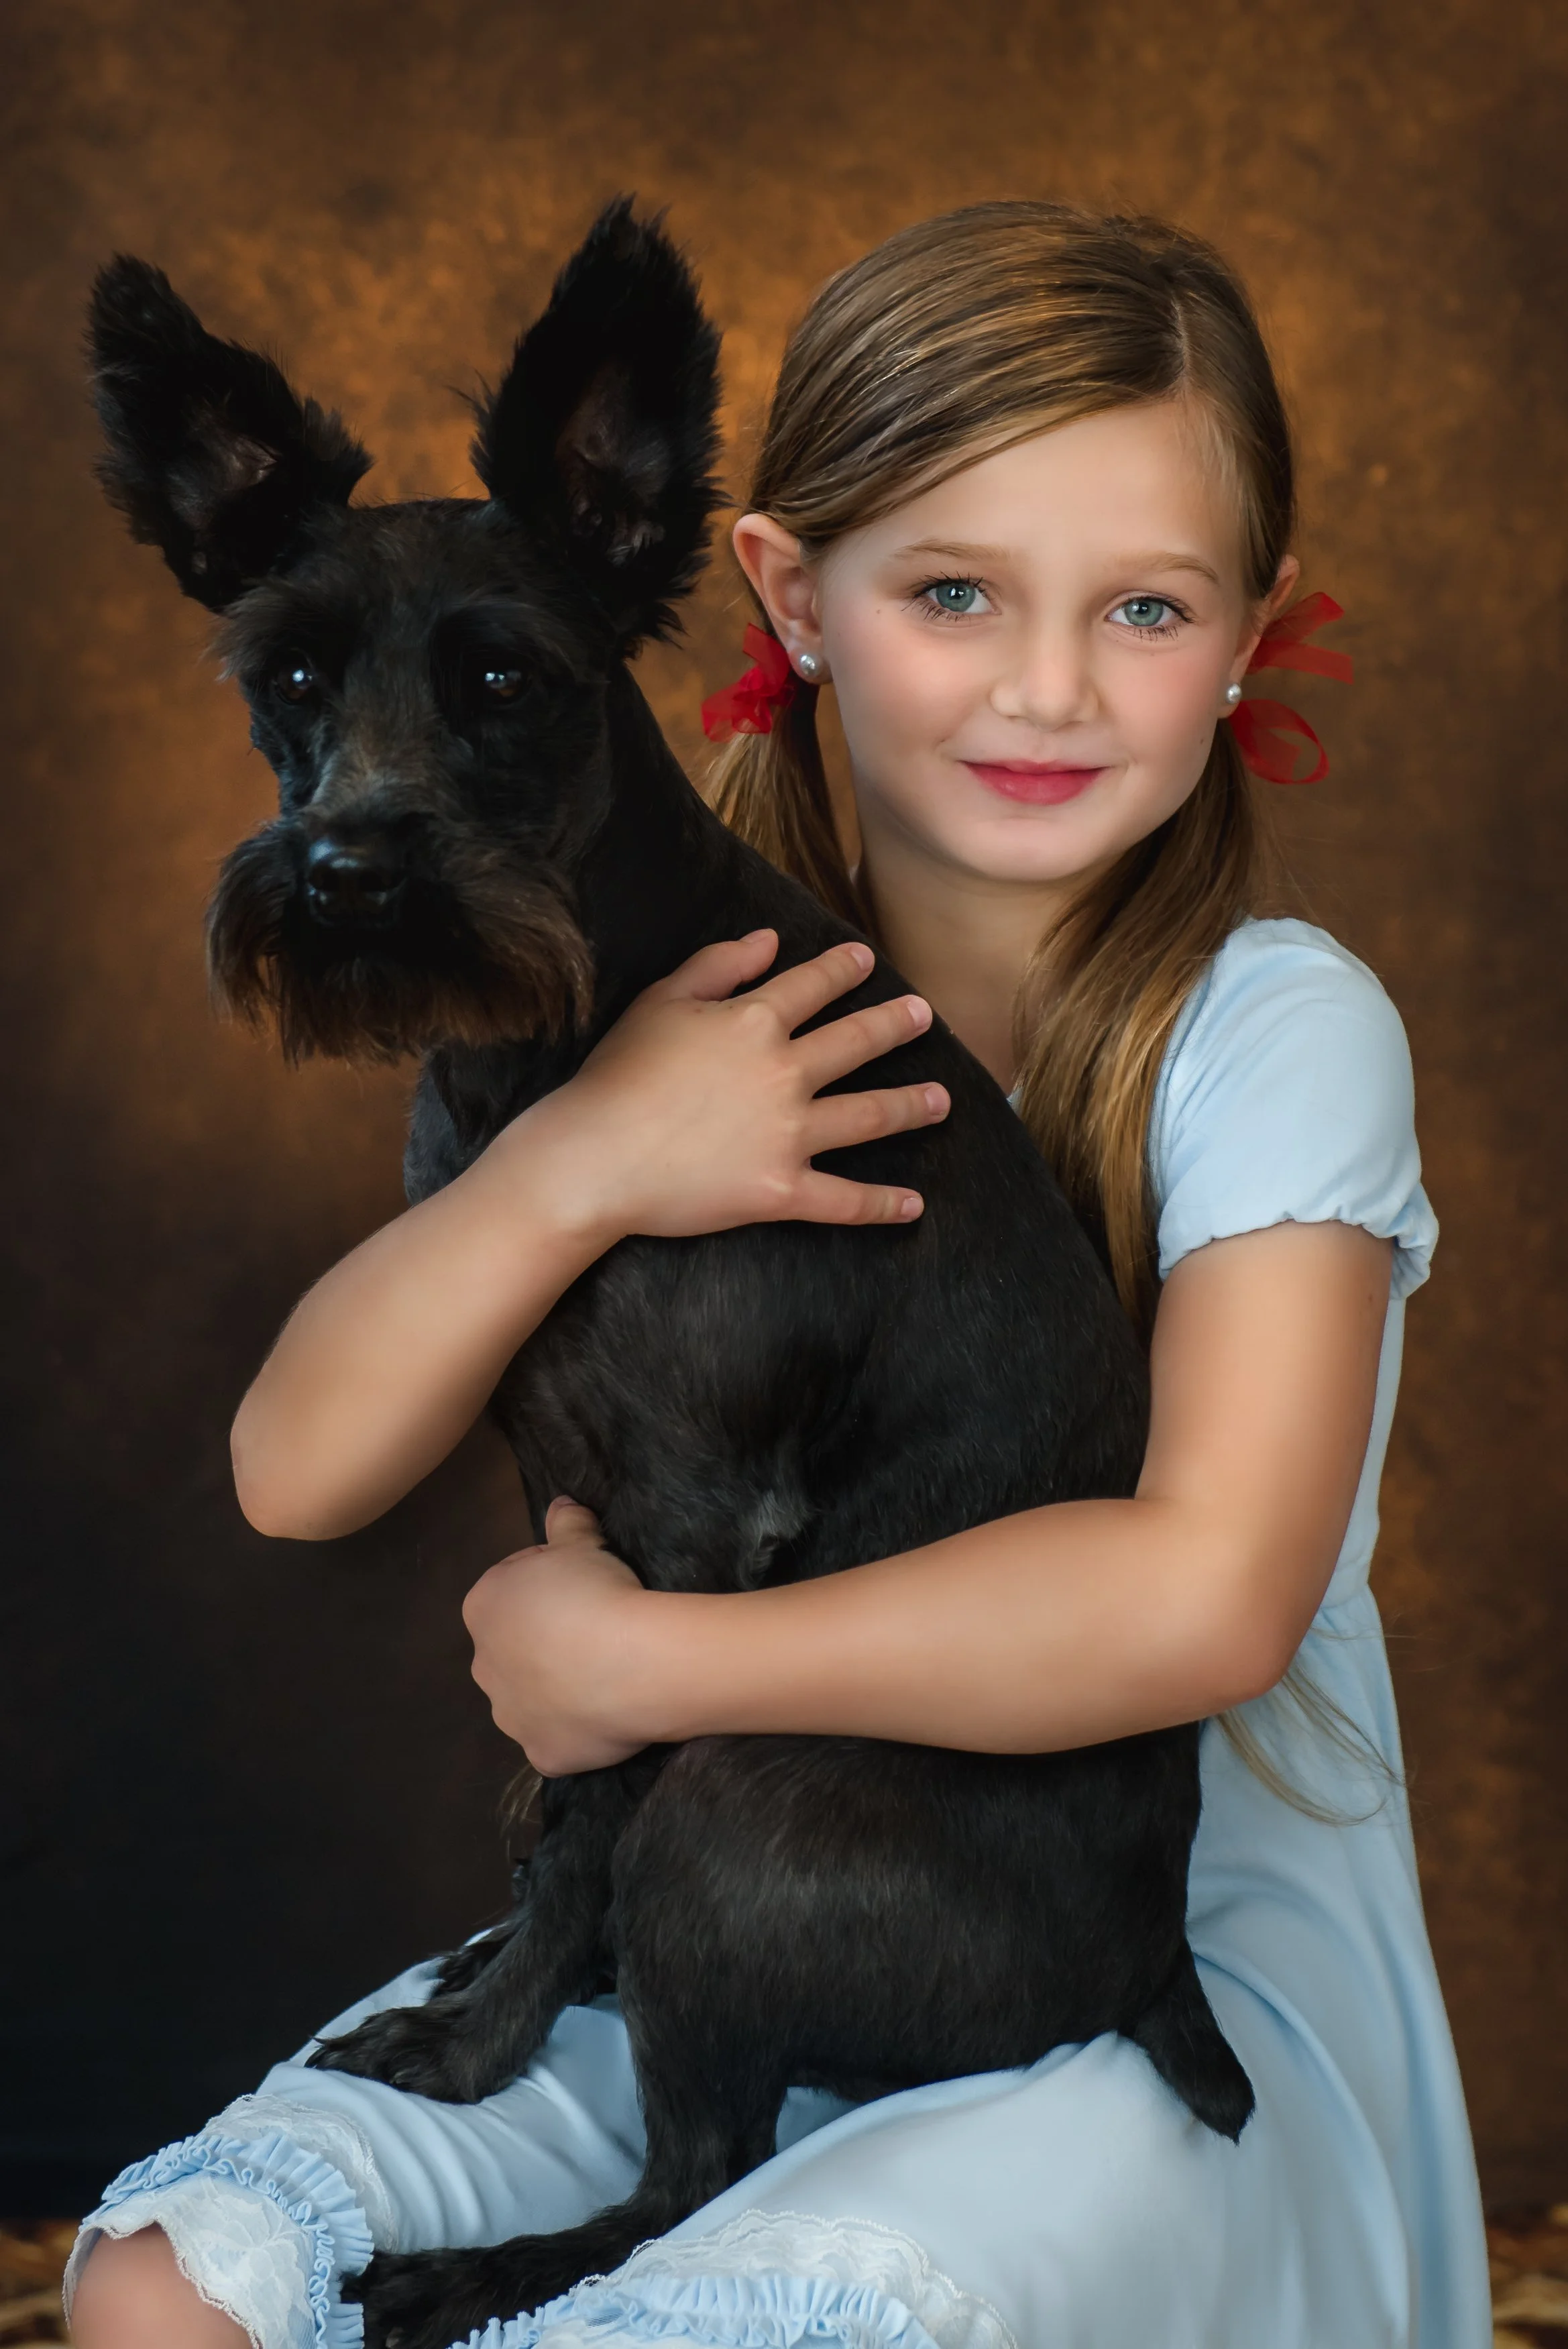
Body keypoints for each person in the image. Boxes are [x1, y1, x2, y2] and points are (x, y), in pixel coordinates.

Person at [66, 201, 1492, 2349]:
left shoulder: (1278, 1023)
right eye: (950, 591)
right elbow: (298, 1467)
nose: (1041, 683)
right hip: (720, 1908)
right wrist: (586, 1160)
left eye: (1141, 606)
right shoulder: (619, 983)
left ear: (1252, 630)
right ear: (784, 592)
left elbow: (1205, 1598)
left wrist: (631, 1673)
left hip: (1149, 1965)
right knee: (172, 2292)